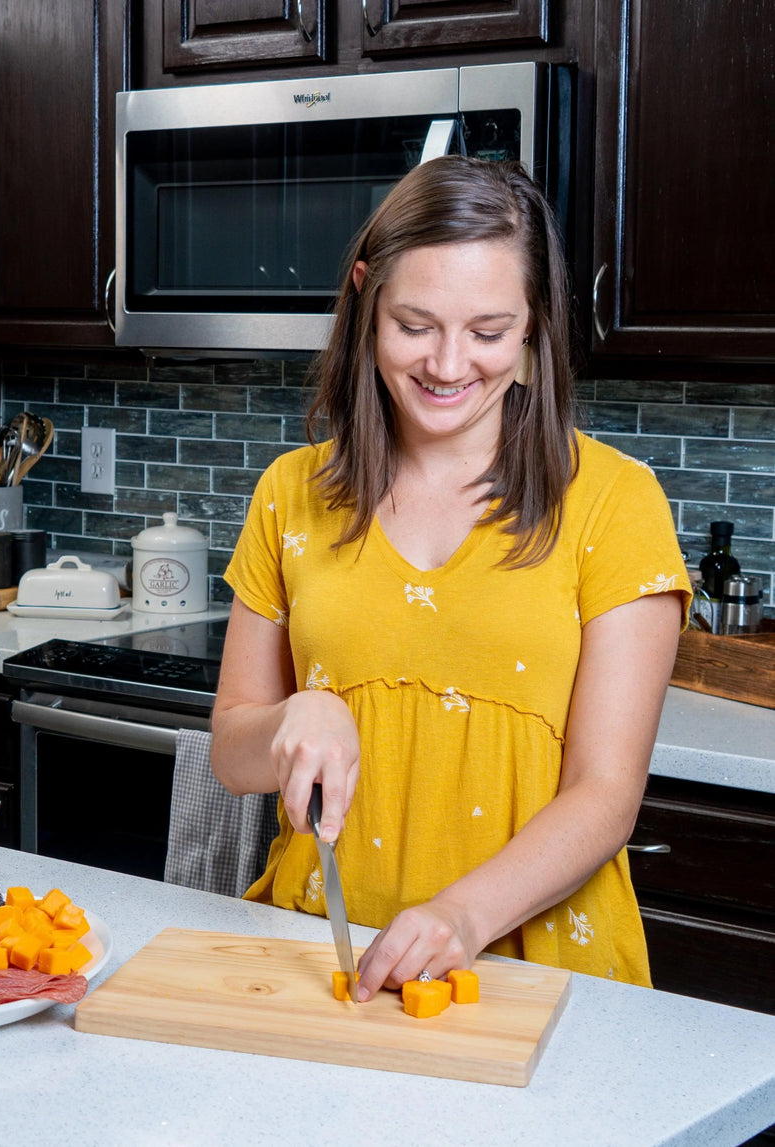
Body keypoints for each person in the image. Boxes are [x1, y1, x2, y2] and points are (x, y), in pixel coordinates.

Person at [211, 155, 689, 999]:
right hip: (318, 956)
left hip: (530, 971)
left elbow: (605, 792)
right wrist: (295, 713)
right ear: (365, 298)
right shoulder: (290, 494)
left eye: (487, 330)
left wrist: (460, 917)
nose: (447, 362)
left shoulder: (615, 502)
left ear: (534, 324)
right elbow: (230, 752)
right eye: (415, 323)